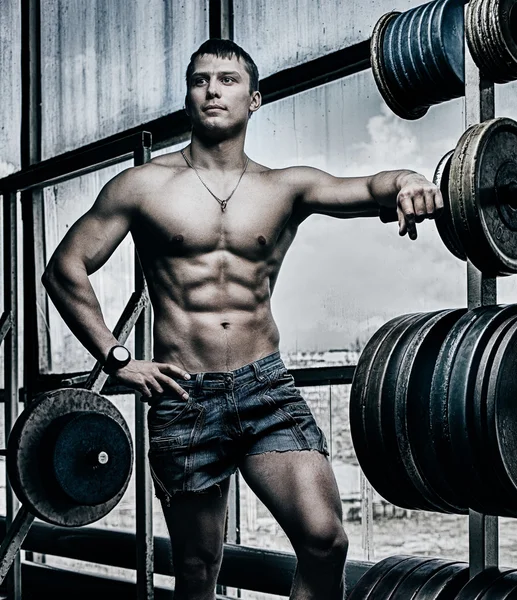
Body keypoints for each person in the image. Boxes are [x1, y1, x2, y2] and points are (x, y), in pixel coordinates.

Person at [42, 38, 442, 600]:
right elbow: (65, 268)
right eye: (200, 79)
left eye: (227, 80)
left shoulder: (284, 187)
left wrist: (408, 181)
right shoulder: (142, 186)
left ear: (255, 99)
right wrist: (118, 359)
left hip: (265, 389)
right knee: (199, 569)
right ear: (188, 97)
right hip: (184, 397)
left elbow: (367, 187)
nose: (212, 89)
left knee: (326, 542)